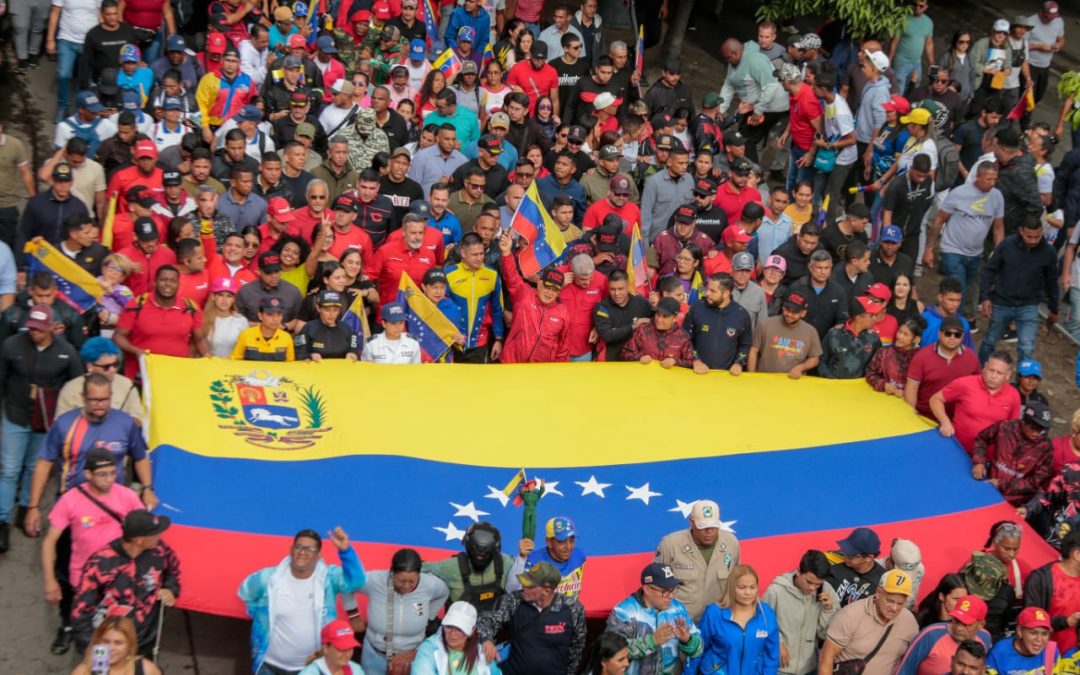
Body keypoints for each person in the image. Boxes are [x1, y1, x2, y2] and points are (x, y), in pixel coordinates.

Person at [40, 446, 144, 656]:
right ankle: (97, 667)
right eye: (102, 474)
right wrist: (50, 580)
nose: (109, 479)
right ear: (88, 474)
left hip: (120, 578)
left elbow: (144, 531)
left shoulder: (127, 496)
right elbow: (50, 542)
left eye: (113, 473)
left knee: (117, 635)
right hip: (85, 580)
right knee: (94, 638)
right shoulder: (71, 499)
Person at [0, 304, 83, 550]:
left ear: (50, 328)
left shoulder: (66, 351)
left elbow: (77, 384)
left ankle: (26, 509)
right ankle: (2, 520)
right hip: (15, 413)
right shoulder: (12, 345)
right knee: (9, 469)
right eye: (32, 329)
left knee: (34, 468)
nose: (35, 334)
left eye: (40, 330)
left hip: (45, 420)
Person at [239, 527, 365, 675]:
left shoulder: (328, 578)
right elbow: (245, 592)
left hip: (310, 668)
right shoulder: (268, 577)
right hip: (268, 665)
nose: (302, 552)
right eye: (298, 547)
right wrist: (261, 615)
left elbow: (357, 581)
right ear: (291, 550)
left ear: (318, 556)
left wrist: (345, 551)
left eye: (309, 549)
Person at [71, 509, 180, 657]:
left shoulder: (161, 550)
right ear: (139, 540)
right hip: (108, 646)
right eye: (155, 533)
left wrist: (170, 589)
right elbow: (80, 612)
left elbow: (173, 569)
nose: (160, 535)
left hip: (144, 640)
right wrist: (95, 654)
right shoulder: (100, 562)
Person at [476, 561, 587, 675]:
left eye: (530, 585)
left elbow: (577, 648)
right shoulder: (514, 601)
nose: (524, 587)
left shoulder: (573, 609)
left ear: (547, 590)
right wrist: (487, 639)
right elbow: (485, 620)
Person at [924, 164, 1004, 321]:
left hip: (976, 253)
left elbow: (998, 228)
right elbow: (939, 220)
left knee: (972, 289)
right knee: (958, 287)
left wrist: (1000, 254)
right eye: (989, 179)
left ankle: (966, 319)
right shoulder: (959, 193)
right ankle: (953, 322)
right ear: (978, 176)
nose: (992, 183)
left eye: (995, 179)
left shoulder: (997, 197)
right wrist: (929, 248)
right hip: (952, 250)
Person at [978, 217, 1059, 365]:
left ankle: (1022, 383)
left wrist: (1054, 308)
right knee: (989, 342)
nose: (1033, 240)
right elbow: (989, 270)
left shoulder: (1048, 252)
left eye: (1037, 236)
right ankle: (979, 373)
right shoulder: (1007, 245)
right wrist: (985, 297)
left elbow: (1051, 281)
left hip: (1028, 305)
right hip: (1002, 302)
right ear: (1021, 231)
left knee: (1026, 348)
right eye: (1029, 236)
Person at [359, 548, 450, 674]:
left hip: (412, 658)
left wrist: (429, 616)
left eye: (412, 581)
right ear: (392, 572)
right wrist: (353, 614)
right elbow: (348, 582)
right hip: (374, 657)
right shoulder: (375, 580)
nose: (407, 586)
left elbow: (444, 592)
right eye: (401, 581)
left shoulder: (429, 585)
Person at [605, 562, 703, 675]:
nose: (671, 596)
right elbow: (612, 653)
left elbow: (698, 650)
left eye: (673, 589)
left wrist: (688, 640)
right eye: (665, 591)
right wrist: (653, 641)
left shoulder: (678, 609)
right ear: (647, 589)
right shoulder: (624, 611)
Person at [113, 265, 209, 379]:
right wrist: (136, 351)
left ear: (178, 284)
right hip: (142, 375)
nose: (168, 284)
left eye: (173, 281)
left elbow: (200, 339)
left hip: (177, 374)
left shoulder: (191, 307)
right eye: (163, 280)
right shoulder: (137, 304)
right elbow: (118, 336)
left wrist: (207, 357)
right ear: (154, 283)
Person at [818, 569, 920, 675]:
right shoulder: (850, 615)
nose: (894, 608)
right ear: (878, 593)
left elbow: (912, 660)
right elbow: (826, 657)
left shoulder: (909, 622)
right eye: (890, 601)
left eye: (900, 603)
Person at [655, 499, 740, 623]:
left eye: (713, 526)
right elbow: (656, 585)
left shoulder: (731, 543)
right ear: (691, 522)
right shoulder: (670, 545)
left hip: (717, 622)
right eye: (703, 527)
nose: (709, 531)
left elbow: (735, 582)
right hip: (680, 623)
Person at [692, 564, 779, 675]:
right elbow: (698, 649)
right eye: (742, 587)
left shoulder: (766, 613)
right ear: (731, 588)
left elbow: (772, 655)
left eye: (752, 587)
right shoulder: (714, 613)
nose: (748, 592)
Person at [929, 350, 1021, 454]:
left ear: (1008, 375)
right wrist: (945, 423)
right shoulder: (965, 384)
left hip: (989, 459)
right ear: (985, 367)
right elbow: (936, 399)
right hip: (957, 451)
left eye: (999, 373)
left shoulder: (1013, 395)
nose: (993, 376)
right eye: (991, 370)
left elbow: (1013, 429)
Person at [763, 550, 838, 675]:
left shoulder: (827, 591)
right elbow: (760, 624)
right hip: (778, 669)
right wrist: (778, 642)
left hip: (810, 669)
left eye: (818, 584)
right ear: (798, 572)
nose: (812, 588)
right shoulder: (775, 592)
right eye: (809, 582)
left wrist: (828, 610)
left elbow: (824, 635)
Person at [498, 234, 571, 363]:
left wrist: (559, 370)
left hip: (541, 371)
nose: (549, 293)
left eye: (554, 290)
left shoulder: (563, 312)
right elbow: (512, 277)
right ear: (539, 284)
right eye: (547, 287)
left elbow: (563, 347)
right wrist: (506, 253)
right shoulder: (525, 294)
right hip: (512, 363)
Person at [971, 401, 1054, 507]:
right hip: (987, 487)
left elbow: (1036, 481)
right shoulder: (1004, 427)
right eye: (1033, 428)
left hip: (1014, 502)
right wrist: (979, 462)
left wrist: (1002, 484)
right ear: (1024, 421)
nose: (1036, 434)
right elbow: (982, 439)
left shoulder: (1045, 447)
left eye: (1041, 430)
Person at [423, 521, 515, 612]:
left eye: (484, 554)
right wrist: (419, 610)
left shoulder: (506, 563)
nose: (480, 558)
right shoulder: (452, 567)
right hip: (459, 625)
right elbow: (419, 569)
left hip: (497, 623)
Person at [896, 595, 991, 675]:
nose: (958, 628)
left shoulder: (985, 638)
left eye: (966, 624)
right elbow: (905, 670)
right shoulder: (931, 635)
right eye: (956, 621)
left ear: (981, 625)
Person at [55, 337, 142, 422]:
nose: (113, 370)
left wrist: (119, 425)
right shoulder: (71, 388)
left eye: (115, 364)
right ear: (90, 366)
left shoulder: (126, 385)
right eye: (106, 367)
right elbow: (61, 422)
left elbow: (138, 417)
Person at [1023, 529, 1080, 654]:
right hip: (1050, 657)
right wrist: (1067, 622)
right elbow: (1030, 622)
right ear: (1077, 555)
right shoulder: (1041, 579)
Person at [684, 274, 752, 375]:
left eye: (713, 291)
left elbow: (745, 344)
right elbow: (685, 337)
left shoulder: (742, 315)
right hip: (696, 372)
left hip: (726, 377)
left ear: (726, 293)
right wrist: (695, 360)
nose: (707, 293)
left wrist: (739, 363)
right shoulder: (697, 308)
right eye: (708, 289)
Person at [413, 601, 501, 675]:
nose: (453, 633)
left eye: (460, 629)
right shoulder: (429, 648)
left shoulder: (482, 652)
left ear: (472, 630)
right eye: (449, 626)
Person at [748, 290, 822, 379]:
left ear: (803, 313)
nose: (789, 314)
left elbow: (815, 358)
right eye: (787, 310)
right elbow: (753, 350)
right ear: (783, 308)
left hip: (793, 382)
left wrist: (801, 367)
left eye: (795, 312)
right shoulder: (765, 324)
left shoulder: (811, 331)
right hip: (765, 380)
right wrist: (751, 377)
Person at [593, 270, 653, 362]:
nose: (616, 293)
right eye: (612, 289)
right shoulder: (602, 308)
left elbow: (657, 322)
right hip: (612, 360)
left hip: (637, 360)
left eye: (620, 289)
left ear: (628, 286)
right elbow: (608, 336)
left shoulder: (641, 303)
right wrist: (633, 326)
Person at [787, 250, 848, 339]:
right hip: (796, 340)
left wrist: (837, 329)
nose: (823, 272)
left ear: (831, 267)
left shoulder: (838, 291)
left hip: (825, 343)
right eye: (819, 268)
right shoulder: (796, 288)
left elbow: (842, 319)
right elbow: (786, 314)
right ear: (810, 267)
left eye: (826, 268)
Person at [819, 296, 884, 379]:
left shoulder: (874, 338)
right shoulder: (834, 334)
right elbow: (822, 361)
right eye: (871, 316)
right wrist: (832, 380)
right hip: (834, 388)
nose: (875, 319)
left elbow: (878, 365)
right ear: (858, 318)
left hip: (861, 389)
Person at [72, 615, 162, 675]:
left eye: (118, 643)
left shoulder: (147, 670)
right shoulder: (83, 671)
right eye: (106, 641)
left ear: (130, 645)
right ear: (97, 642)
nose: (111, 648)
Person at [984, 607, 1060, 675]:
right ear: (1020, 631)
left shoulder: (1051, 651)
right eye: (1033, 633)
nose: (1039, 639)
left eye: (1044, 634)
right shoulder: (1000, 652)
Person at [621, 297, 694, 368]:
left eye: (665, 317)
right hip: (644, 378)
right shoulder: (642, 330)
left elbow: (691, 361)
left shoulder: (683, 337)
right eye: (658, 314)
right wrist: (639, 358)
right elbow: (625, 353)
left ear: (675, 318)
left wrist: (675, 361)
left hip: (669, 379)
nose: (659, 319)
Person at [294, 290, 362, 362]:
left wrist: (352, 354)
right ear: (318, 308)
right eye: (327, 310)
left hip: (341, 371)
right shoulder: (308, 328)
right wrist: (310, 356)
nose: (331, 314)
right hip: (316, 370)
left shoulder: (347, 329)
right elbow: (299, 354)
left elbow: (354, 351)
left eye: (335, 310)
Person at [826, 527, 886, 608]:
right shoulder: (832, 561)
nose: (845, 556)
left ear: (868, 558)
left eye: (852, 555)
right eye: (845, 550)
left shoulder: (882, 581)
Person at [866, 317, 926, 397]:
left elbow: (927, 383)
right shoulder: (884, 352)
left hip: (911, 402)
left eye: (905, 334)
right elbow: (870, 373)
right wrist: (883, 384)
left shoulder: (921, 357)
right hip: (885, 400)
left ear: (916, 339)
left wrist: (907, 393)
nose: (900, 336)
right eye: (899, 331)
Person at [299, 620, 365, 675]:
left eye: (350, 648)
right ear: (326, 649)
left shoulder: (356, 670)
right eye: (342, 648)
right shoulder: (310, 673)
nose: (347, 654)